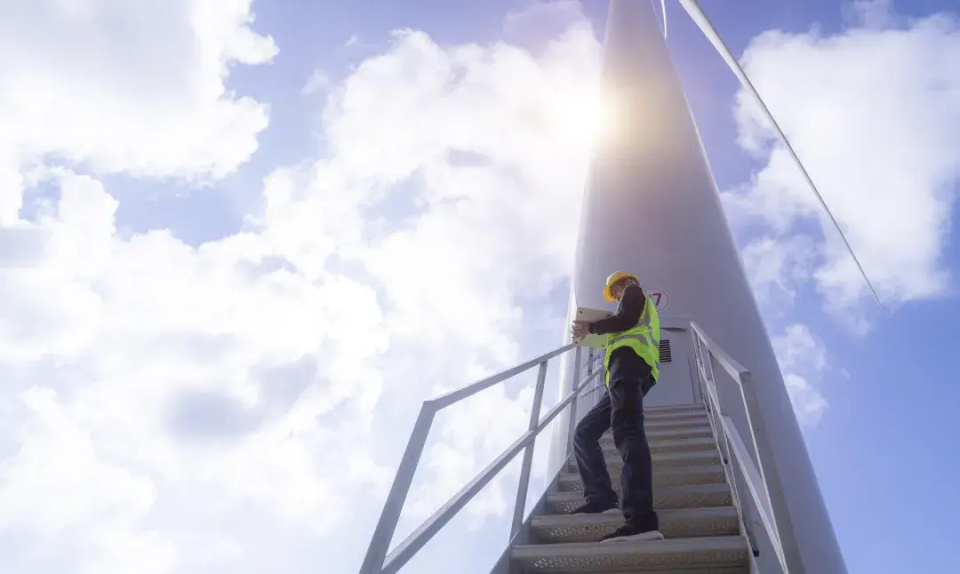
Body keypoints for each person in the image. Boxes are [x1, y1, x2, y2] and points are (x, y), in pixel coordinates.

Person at [570, 271, 663, 543]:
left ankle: (641, 521)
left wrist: (593, 327)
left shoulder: (635, 293)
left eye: (616, 290)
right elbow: (623, 324)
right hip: (619, 373)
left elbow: (626, 320)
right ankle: (600, 498)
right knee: (583, 433)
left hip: (631, 363)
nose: (617, 295)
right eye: (615, 293)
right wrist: (597, 332)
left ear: (625, 283)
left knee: (628, 431)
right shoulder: (628, 305)